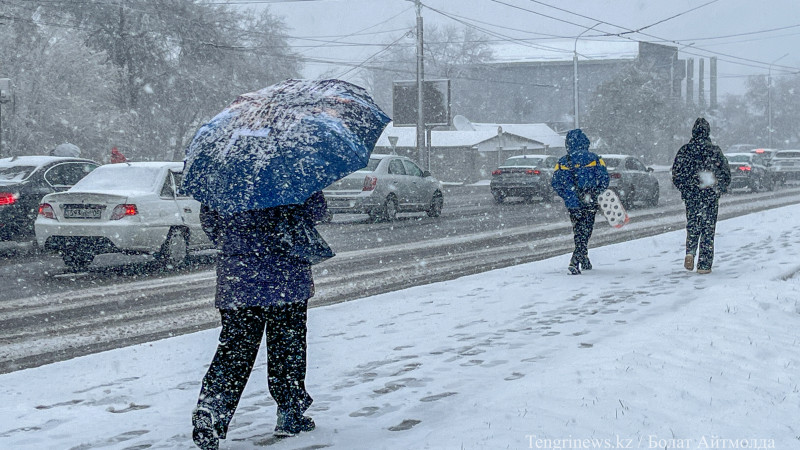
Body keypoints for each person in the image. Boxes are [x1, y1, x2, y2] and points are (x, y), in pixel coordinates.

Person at [191, 191, 333, 450]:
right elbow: (317, 211)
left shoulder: (225, 176)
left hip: (238, 281)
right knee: (287, 349)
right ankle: (289, 413)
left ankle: (212, 408)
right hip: (286, 277)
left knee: (234, 351)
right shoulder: (291, 171)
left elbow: (210, 223)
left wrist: (237, 242)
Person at [671, 118, 731, 274]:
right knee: (708, 229)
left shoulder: (685, 150)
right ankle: (704, 264)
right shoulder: (714, 151)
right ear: (708, 132)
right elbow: (725, 174)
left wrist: (686, 189)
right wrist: (719, 188)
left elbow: (676, 174)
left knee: (693, 224)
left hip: (692, 196)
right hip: (710, 195)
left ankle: (690, 251)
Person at [551, 129, 610, 275]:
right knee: (586, 231)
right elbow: (604, 179)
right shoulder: (594, 158)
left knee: (578, 230)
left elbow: (556, 183)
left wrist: (567, 195)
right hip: (589, 202)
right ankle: (575, 260)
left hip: (573, 204)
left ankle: (584, 259)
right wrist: (595, 192)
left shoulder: (563, 161)